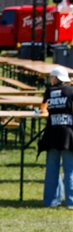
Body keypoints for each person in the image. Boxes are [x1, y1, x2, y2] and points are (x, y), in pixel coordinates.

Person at [39, 66, 73, 209]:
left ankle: (51, 201)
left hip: (51, 133)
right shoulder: (71, 91)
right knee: (70, 169)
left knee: (52, 169)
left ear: (55, 78)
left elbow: (43, 109)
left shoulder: (49, 91)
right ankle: (71, 201)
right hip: (68, 134)